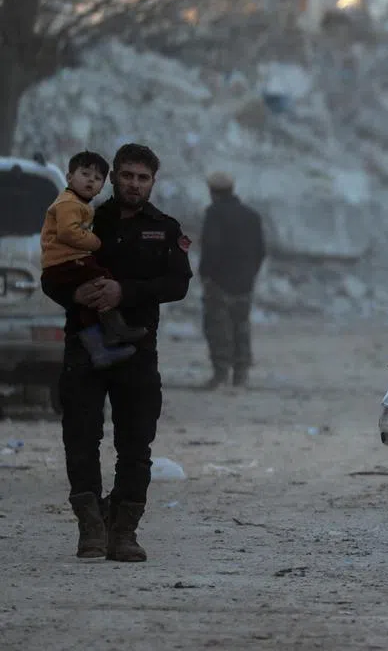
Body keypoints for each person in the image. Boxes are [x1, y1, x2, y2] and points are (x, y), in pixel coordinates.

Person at [40, 143, 192, 562]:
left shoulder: (164, 227)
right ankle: (90, 527)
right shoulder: (85, 217)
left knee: (136, 444)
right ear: (114, 177)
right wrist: (75, 292)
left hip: (136, 350)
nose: (134, 184)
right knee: (80, 439)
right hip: (85, 348)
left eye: (142, 178)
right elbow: (51, 274)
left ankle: (123, 532)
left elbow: (178, 284)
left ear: (152, 182)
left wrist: (126, 291)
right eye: (126, 176)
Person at [39, 151, 148, 368]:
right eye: (85, 173)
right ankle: (114, 327)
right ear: (70, 178)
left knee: (88, 303)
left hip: (63, 262)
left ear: (102, 186)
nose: (91, 180)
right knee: (102, 279)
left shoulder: (80, 204)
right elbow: (68, 233)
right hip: (65, 262)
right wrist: (95, 243)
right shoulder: (69, 203)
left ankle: (99, 349)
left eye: (97, 178)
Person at [199, 172, 266, 390]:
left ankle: (220, 376)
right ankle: (241, 376)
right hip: (245, 283)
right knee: (241, 328)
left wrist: (206, 275)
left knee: (218, 329)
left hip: (219, 283)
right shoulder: (251, 215)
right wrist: (250, 275)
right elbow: (261, 251)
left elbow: (211, 248)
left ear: (212, 192)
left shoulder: (214, 213)